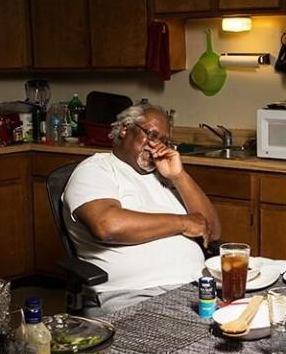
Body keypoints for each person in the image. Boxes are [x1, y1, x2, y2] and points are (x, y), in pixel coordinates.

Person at [62, 103, 221, 313]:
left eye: (165, 141)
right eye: (152, 135)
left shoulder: (163, 177)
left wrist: (178, 176)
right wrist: (183, 223)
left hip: (197, 288)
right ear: (125, 129)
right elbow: (107, 226)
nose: (157, 146)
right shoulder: (96, 170)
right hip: (136, 294)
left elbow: (213, 231)